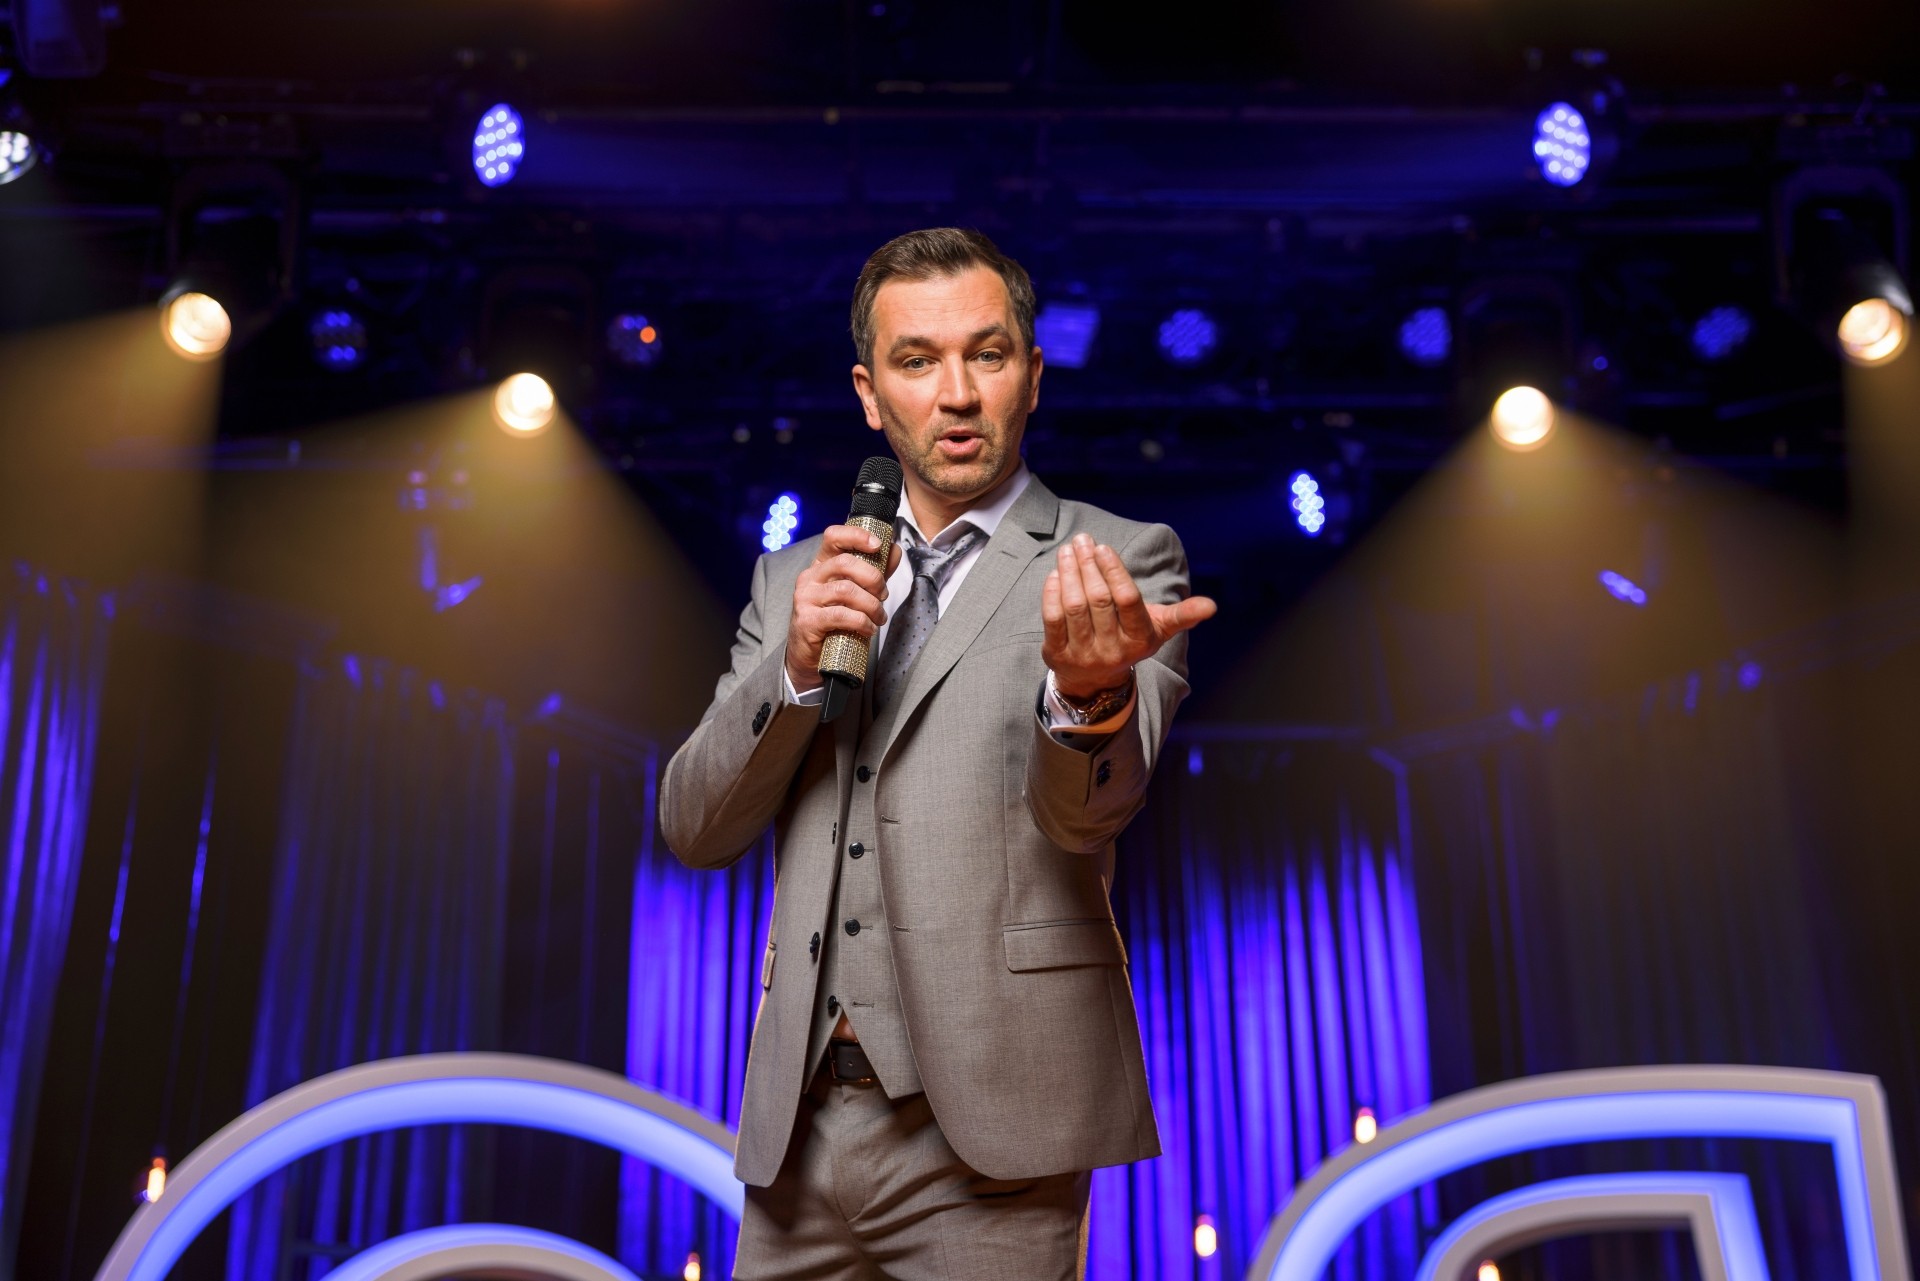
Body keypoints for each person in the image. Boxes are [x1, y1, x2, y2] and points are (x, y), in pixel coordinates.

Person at [661, 227, 1216, 1279]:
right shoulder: (795, 580)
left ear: (1033, 376)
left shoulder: (1115, 558)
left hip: (996, 1133)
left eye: (986, 354)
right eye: (917, 361)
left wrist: (1088, 691)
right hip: (799, 1135)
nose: (956, 394)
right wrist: (790, 671)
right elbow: (694, 827)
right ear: (870, 395)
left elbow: (1089, 815)